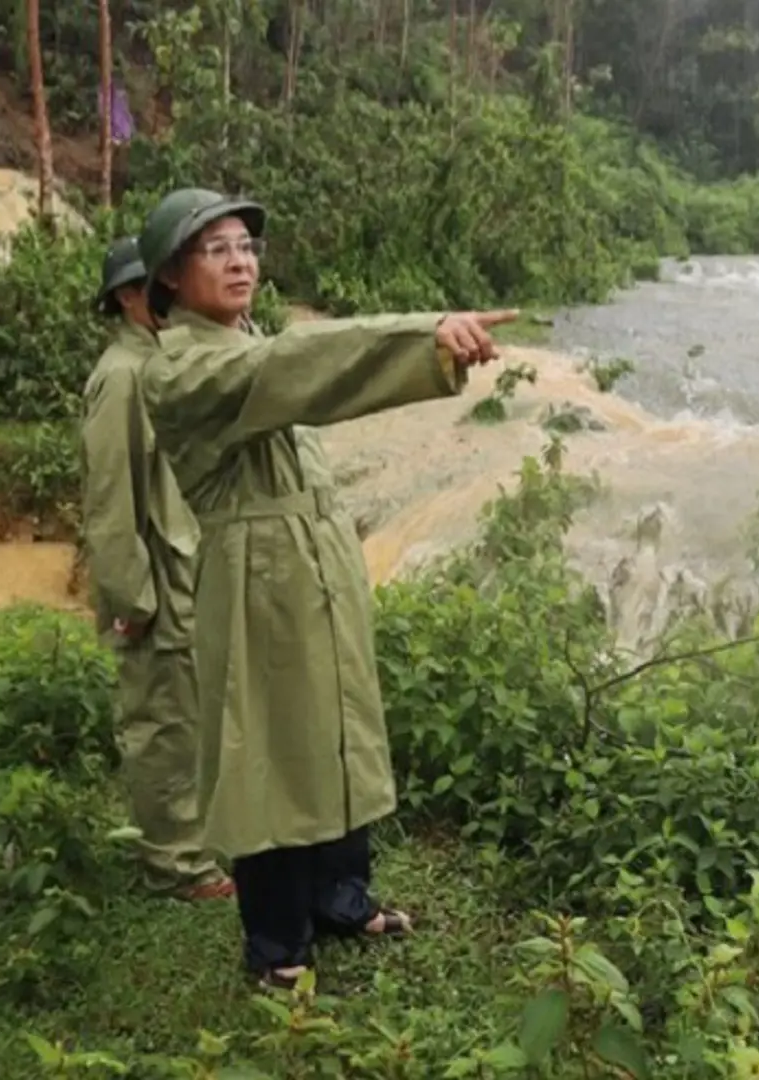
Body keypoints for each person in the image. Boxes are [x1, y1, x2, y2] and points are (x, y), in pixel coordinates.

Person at [134, 187, 515, 989]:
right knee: (270, 749)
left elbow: (288, 365)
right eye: (217, 249)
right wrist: (423, 337)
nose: (241, 261)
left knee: (335, 730)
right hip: (255, 573)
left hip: (310, 562)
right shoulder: (185, 364)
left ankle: (343, 899)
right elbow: (300, 365)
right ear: (170, 275)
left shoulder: (244, 339)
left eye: (247, 247)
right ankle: (277, 944)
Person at [79, 237, 235, 903]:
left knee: (188, 715)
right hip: (153, 587)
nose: (167, 296)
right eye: (152, 286)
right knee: (162, 723)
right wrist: (132, 598)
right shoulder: (121, 376)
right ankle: (176, 866)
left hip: (181, 573)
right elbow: (111, 504)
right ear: (126, 296)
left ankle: (198, 848)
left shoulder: (157, 363)